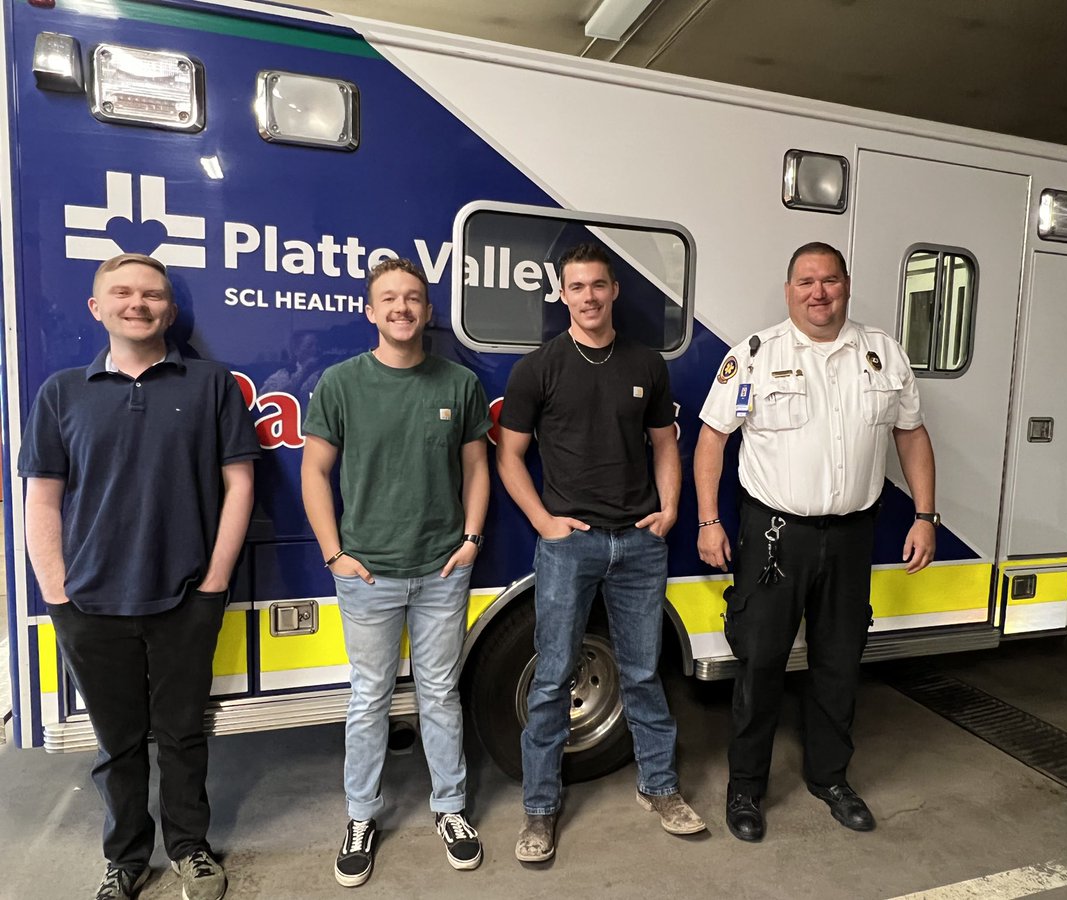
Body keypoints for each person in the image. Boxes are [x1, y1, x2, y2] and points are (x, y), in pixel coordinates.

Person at [19, 253, 259, 900]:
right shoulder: (61, 393)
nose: (138, 303)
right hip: (90, 603)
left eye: (151, 294)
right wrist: (56, 592)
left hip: (186, 597)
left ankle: (189, 849)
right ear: (97, 308)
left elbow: (240, 485)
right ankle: (125, 859)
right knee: (117, 744)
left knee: (183, 735)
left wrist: (214, 581)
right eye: (121, 293)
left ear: (169, 310)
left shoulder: (212, 385)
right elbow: (41, 497)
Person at [693, 241, 937, 841]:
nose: (818, 293)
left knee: (838, 664)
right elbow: (711, 440)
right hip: (776, 537)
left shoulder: (882, 354)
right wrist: (708, 520)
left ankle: (831, 778)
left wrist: (926, 514)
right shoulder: (755, 354)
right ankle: (746, 791)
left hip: (853, 535)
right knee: (761, 664)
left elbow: (912, 435)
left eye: (828, 281)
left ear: (846, 286)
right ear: (788, 291)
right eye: (806, 282)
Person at [496, 242, 706, 863]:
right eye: (576, 286)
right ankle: (539, 811)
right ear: (561, 294)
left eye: (598, 286)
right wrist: (543, 522)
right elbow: (507, 455)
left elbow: (665, 443)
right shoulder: (538, 368)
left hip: (640, 545)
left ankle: (661, 790)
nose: (587, 297)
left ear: (615, 291)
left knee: (642, 672)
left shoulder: (646, 362)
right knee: (553, 675)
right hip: (571, 546)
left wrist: (668, 512)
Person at [301, 257, 490, 887]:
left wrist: (469, 540)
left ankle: (451, 809)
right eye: (389, 298)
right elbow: (314, 473)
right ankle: (361, 816)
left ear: (428, 312)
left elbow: (476, 470)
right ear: (369, 310)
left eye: (413, 298)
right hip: (367, 575)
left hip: (442, 570)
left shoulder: (457, 384)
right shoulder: (339, 383)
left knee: (439, 694)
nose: (401, 308)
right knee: (368, 698)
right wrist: (335, 554)